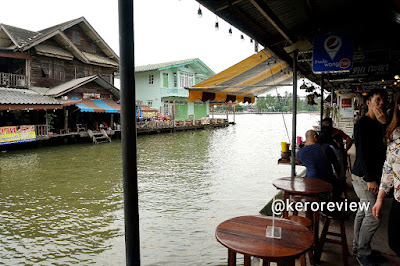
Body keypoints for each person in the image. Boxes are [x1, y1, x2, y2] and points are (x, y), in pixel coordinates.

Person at [351, 88, 388, 265]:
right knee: (373, 217)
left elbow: (384, 147)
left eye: (383, 100)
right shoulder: (362, 123)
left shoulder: (378, 123)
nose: (381, 103)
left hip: (370, 175)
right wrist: (370, 178)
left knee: (363, 211)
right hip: (363, 176)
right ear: (368, 103)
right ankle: (362, 252)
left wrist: (383, 124)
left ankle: (357, 247)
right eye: (377, 100)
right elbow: (363, 153)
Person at [372, 92, 400, 257]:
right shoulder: (394, 134)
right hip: (398, 197)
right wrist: (380, 198)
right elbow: (388, 167)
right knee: (395, 242)